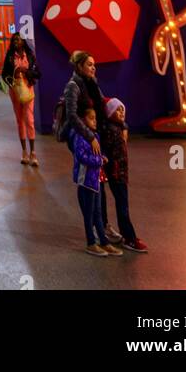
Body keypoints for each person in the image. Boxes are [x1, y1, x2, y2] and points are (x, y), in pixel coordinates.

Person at [61, 50, 121, 244]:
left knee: (98, 181)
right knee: (88, 182)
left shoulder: (92, 83)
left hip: (94, 136)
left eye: (94, 64)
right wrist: (89, 137)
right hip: (81, 137)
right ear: (79, 66)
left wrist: (122, 124)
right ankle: (93, 231)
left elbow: (102, 106)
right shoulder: (73, 86)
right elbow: (71, 116)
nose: (93, 68)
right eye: (89, 64)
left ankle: (101, 225)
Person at [70, 108, 122, 256]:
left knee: (98, 212)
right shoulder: (80, 137)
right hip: (86, 181)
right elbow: (81, 157)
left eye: (95, 118)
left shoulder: (95, 136)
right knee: (89, 213)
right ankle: (91, 242)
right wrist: (99, 160)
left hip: (96, 180)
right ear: (83, 120)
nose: (95, 121)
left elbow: (96, 152)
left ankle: (104, 242)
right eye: (91, 118)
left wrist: (102, 157)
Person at [102, 98, 148, 253]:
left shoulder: (117, 127)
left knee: (122, 204)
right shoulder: (112, 130)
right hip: (117, 172)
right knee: (123, 205)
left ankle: (126, 235)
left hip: (120, 171)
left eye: (123, 109)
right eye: (117, 110)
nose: (121, 112)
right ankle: (129, 237)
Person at [1, 34, 41, 166]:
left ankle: (33, 152)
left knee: (29, 119)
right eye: (14, 40)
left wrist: (25, 71)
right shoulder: (10, 56)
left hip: (28, 90)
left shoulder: (29, 56)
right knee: (20, 120)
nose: (16, 42)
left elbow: (38, 73)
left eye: (18, 40)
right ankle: (24, 152)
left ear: (23, 41)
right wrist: (14, 75)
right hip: (15, 91)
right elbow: (4, 74)